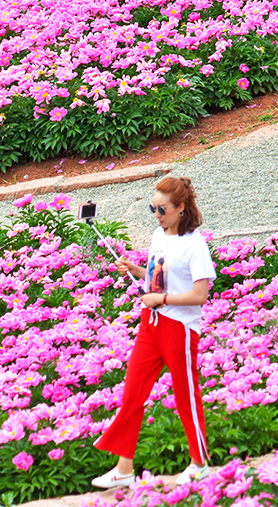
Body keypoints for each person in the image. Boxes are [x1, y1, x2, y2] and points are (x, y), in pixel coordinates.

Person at [90, 176, 215, 490]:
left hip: (179, 329)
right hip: (151, 324)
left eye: (162, 209)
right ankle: (123, 468)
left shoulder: (195, 245)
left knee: (187, 395)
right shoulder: (160, 235)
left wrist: (163, 299)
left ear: (181, 209)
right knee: (132, 394)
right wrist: (135, 270)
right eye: (153, 208)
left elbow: (200, 295)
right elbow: (158, 277)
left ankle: (200, 464)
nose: (157, 215)